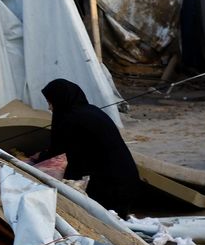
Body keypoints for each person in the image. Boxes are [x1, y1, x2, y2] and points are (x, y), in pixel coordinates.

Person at [37, 79, 140, 217]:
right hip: (128, 180)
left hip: (111, 187)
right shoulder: (90, 111)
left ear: (61, 100)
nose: (50, 108)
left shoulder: (71, 120)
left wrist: (38, 161)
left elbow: (62, 155)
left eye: (51, 102)